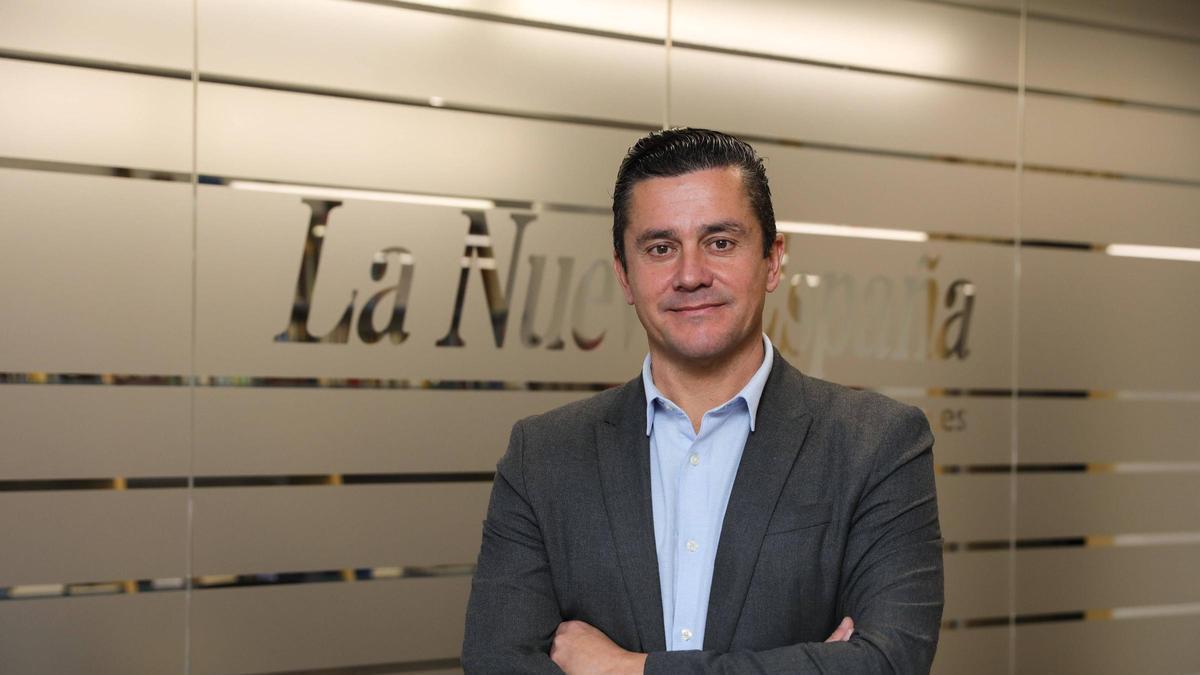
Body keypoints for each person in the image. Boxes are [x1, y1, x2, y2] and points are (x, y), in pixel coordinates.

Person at [462, 128, 943, 673]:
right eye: (660, 248)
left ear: (773, 260)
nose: (690, 276)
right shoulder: (544, 455)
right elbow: (494, 665)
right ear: (624, 275)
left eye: (720, 242)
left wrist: (628, 669)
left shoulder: (876, 444)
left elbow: (890, 662)